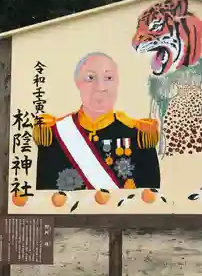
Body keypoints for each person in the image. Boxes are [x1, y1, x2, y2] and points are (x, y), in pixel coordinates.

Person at [33, 52, 161, 191]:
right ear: (78, 83)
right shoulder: (54, 133)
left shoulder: (139, 134)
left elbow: (151, 197)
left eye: (109, 78)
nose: (101, 87)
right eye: (90, 78)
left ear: (117, 82)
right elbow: (45, 196)